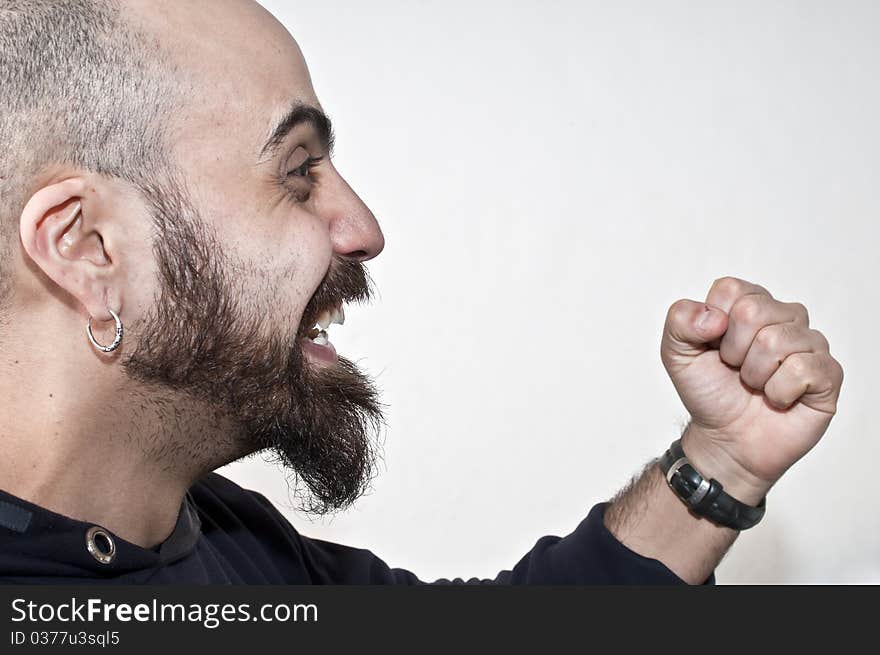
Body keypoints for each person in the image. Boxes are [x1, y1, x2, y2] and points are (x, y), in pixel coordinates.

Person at [0, 0, 843, 585]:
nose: (363, 227)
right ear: (84, 246)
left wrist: (720, 461)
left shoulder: (229, 541)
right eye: (298, 173)